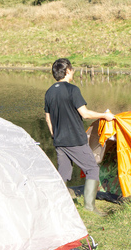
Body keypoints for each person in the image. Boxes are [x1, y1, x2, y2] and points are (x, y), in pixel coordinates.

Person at [44, 58, 114, 214]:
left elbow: (48, 117)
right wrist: (104, 116)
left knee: (63, 173)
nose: (73, 72)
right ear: (67, 71)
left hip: (59, 141)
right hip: (75, 139)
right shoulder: (72, 90)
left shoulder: (49, 92)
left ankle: (57, 204)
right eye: (72, 70)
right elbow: (85, 113)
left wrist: (55, 135)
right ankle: (90, 207)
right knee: (92, 169)